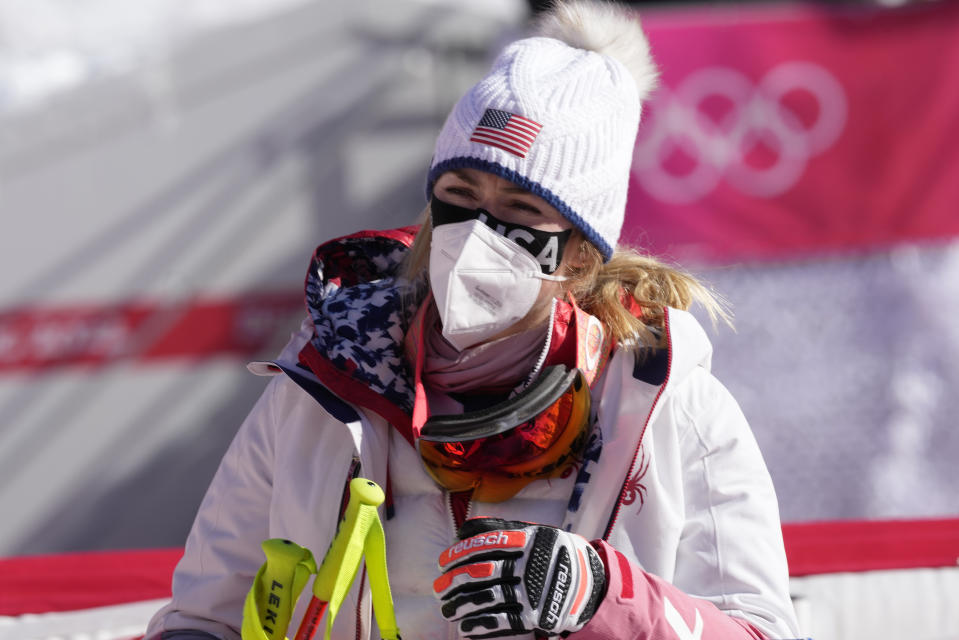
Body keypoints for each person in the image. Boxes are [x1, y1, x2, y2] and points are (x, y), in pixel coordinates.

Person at [147, 2, 800, 639]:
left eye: (519, 208)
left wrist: (605, 598)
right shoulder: (320, 384)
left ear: (578, 255)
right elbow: (203, 619)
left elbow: (761, 630)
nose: (477, 234)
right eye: (459, 196)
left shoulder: (670, 406)